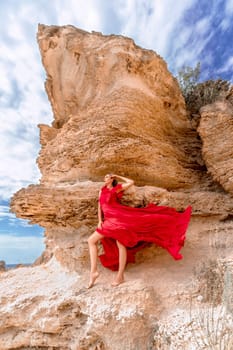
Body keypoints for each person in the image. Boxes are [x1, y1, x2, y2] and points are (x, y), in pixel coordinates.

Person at [87, 174, 192, 288]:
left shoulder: (116, 189)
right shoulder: (101, 190)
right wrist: (99, 221)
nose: (105, 178)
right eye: (105, 176)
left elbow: (131, 181)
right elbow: (99, 206)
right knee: (92, 241)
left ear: (112, 179)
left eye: (108, 177)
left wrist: (117, 175)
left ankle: (119, 276)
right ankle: (94, 272)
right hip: (109, 220)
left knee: (119, 244)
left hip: (118, 219)